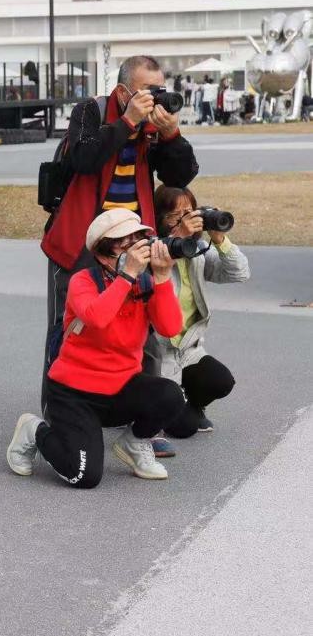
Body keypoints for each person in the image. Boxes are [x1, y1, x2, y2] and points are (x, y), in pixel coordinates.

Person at [40, 54, 198, 409]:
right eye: (147, 91)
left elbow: (180, 178)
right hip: (83, 240)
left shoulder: (154, 126)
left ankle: (143, 415)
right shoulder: (91, 110)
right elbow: (82, 159)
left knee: (145, 328)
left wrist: (171, 133)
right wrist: (127, 122)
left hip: (136, 237)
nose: (154, 99)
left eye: (160, 90)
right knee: (69, 326)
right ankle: (59, 412)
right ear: (124, 91)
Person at [8, 209, 186, 488]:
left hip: (120, 386)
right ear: (103, 249)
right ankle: (34, 431)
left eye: (139, 238)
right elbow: (97, 317)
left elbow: (171, 328)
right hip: (74, 394)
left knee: (171, 396)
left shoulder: (145, 283)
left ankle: (135, 443)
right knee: (84, 477)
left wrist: (162, 277)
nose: (137, 246)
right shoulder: (82, 281)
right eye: (125, 241)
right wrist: (126, 275)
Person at [146, 186, 249, 454]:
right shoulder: (150, 250)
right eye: (174, 215)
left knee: (221, 381)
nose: (184, 220)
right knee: (185, 427)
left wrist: (219, 238)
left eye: (188, 213)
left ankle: (191, 401)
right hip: (159, 353)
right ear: (159, 218)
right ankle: (163, 415)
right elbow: (155, 287)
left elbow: (238, 274)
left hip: (189, 350)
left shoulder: (199, 250)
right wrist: (176, 237)